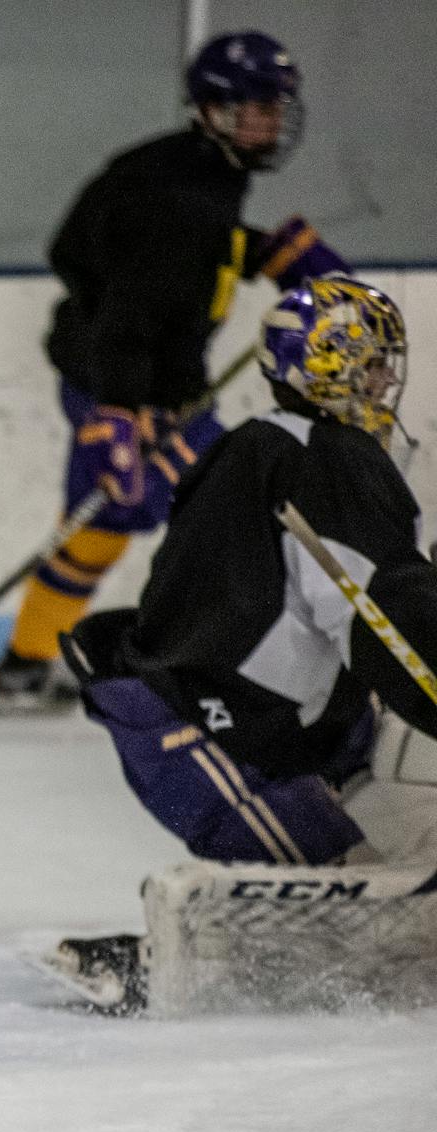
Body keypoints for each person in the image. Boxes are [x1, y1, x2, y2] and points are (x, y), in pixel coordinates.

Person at [50, 276, 433, 1008]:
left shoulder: (269, 446)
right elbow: (384, 612)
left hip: (216, 717)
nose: (387, 380)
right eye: (373, 362)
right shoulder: (326, 457)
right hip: (211, 739)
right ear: (330, 367)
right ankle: (154, 965)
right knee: (354, 937)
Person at [0, 31, 352, 716]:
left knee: (108, 523)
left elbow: (101, 252)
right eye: (254, 110)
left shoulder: (194, 170)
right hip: (138, 389)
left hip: (126, 380)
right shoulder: (175, 192)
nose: (270, 123)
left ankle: (24, 665)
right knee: (225, 518)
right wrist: (120, 415)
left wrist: (263, 252)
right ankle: (216, 671)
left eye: (275, 109)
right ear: (211, 111)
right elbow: (133, 306)